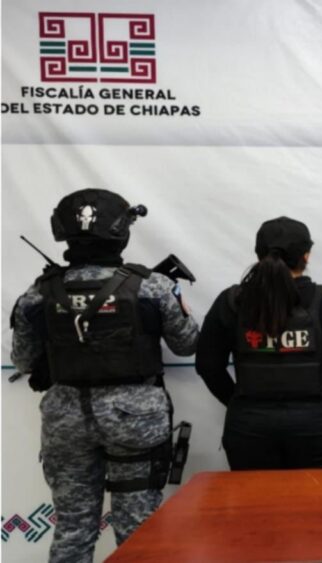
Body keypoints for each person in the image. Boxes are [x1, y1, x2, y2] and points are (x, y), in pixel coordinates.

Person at [9, 188, 199, 563]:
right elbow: (187, 344)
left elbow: (23, 361)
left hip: (66, 421)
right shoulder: (152, 286)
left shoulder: (39, 293)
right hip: (136, 420)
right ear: (122, 232)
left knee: (73, 529)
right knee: (139, 531)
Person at [195, 217, 322, 469]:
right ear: (306, 255)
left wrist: (239, 402)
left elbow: (207, 365)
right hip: (320, 425)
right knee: (320, 495)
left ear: (258, 254)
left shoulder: (231, 301)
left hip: (251, 425)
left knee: (255, 496)